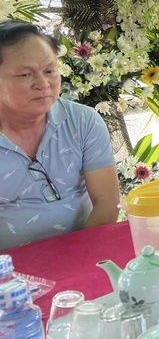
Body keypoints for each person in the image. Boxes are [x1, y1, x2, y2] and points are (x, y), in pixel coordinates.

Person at [0, 20, 119, 251]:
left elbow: (106, 202)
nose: (43, 84)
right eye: (25, 74)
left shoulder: (82, 121)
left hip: (85, 252)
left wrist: (76, 259)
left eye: (50, 71)